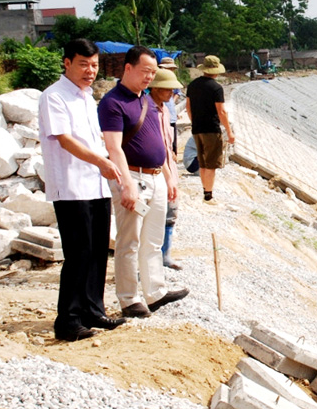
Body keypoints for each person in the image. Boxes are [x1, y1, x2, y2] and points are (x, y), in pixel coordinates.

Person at [38, 38, 126, 341]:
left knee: (99, 250)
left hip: (96, 184)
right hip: (71, 185)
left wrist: (103, 165)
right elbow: (64, 139)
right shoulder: (54, 96)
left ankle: (93, 309)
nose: (90, 71)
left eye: (94, 65)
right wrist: (101, 161)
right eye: (83, 64)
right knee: (79, 252)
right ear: (67, 63)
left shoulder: (87, 97)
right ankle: (68, 319)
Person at [98, 46, 189, 318]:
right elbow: (114, 148)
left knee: (152, 239)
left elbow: (158, 141)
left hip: (155, 176)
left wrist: (168, 175)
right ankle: (129, 298)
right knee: (129, 241)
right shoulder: (113, 102)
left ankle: (155, 291)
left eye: (153, 72)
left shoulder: (147, 101)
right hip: (133, 177)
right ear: (128, 68)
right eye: (145, 71)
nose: (149, 77)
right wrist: (125, 184)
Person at [186, 55, 234, 203]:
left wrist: (194, 121)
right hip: (211, 129)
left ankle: (205, 190)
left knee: (202, 162)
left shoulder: (192, 85)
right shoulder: (216, 88)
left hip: (197, 129)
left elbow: (188, 107)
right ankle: (208, 195)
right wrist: (229, 132)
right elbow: (221, 111)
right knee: (211, 164)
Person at [149, 68, 183, 271]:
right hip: (156, 170)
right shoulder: (148, 111)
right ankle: (150, 260)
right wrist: (168, 176)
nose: (171, 93)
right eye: (166, 89)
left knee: (170, 213)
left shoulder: (164, 110)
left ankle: (165, 255)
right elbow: (157, 146)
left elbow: (167, 144)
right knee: (153, 216)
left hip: (168, 167)